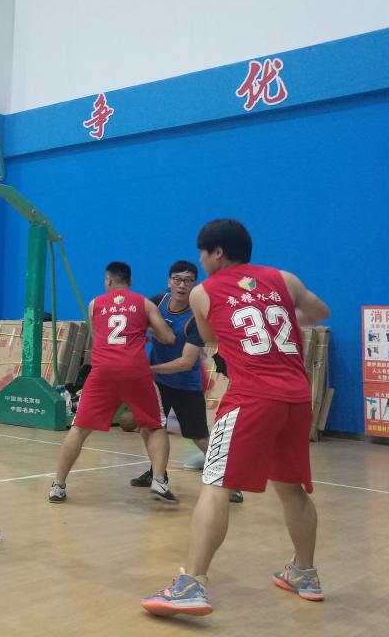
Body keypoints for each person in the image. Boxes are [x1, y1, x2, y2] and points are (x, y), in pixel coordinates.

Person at [142, 219, 329, 617]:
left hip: (252, 398)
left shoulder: (203, 292)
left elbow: (211, 337)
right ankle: (304, 573)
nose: (199, 261)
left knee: (215, 485)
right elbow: (318, 312)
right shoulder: (284, 278)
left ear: (217, 253)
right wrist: (277, 313)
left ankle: (191, 585)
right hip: (297, 399)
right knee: (292, 488)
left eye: (201, 253)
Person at [48, 261, 178, 505]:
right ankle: (159, 480)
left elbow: (98, 336)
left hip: (103, 371)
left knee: (79, 428)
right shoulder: (145, 303)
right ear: (130, 281)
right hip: (134, 370)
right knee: (155, 426)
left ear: (108, 280)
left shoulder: (94, 304)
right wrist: (147, 330)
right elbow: (168, 337)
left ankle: (58, 485)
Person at [130, 261, 243, 503]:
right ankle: (157, 474)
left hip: (185, 385)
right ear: (169, 281)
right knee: (148, 429)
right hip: (159, 383)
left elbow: (185, 361)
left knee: (199, 436)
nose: (182, 285)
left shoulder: (196, 319)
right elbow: (137, 323)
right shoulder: (157, 302)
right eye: (178, 279)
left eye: (188, 280)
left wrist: (148, 369)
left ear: (195, 284)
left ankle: (230, 482)